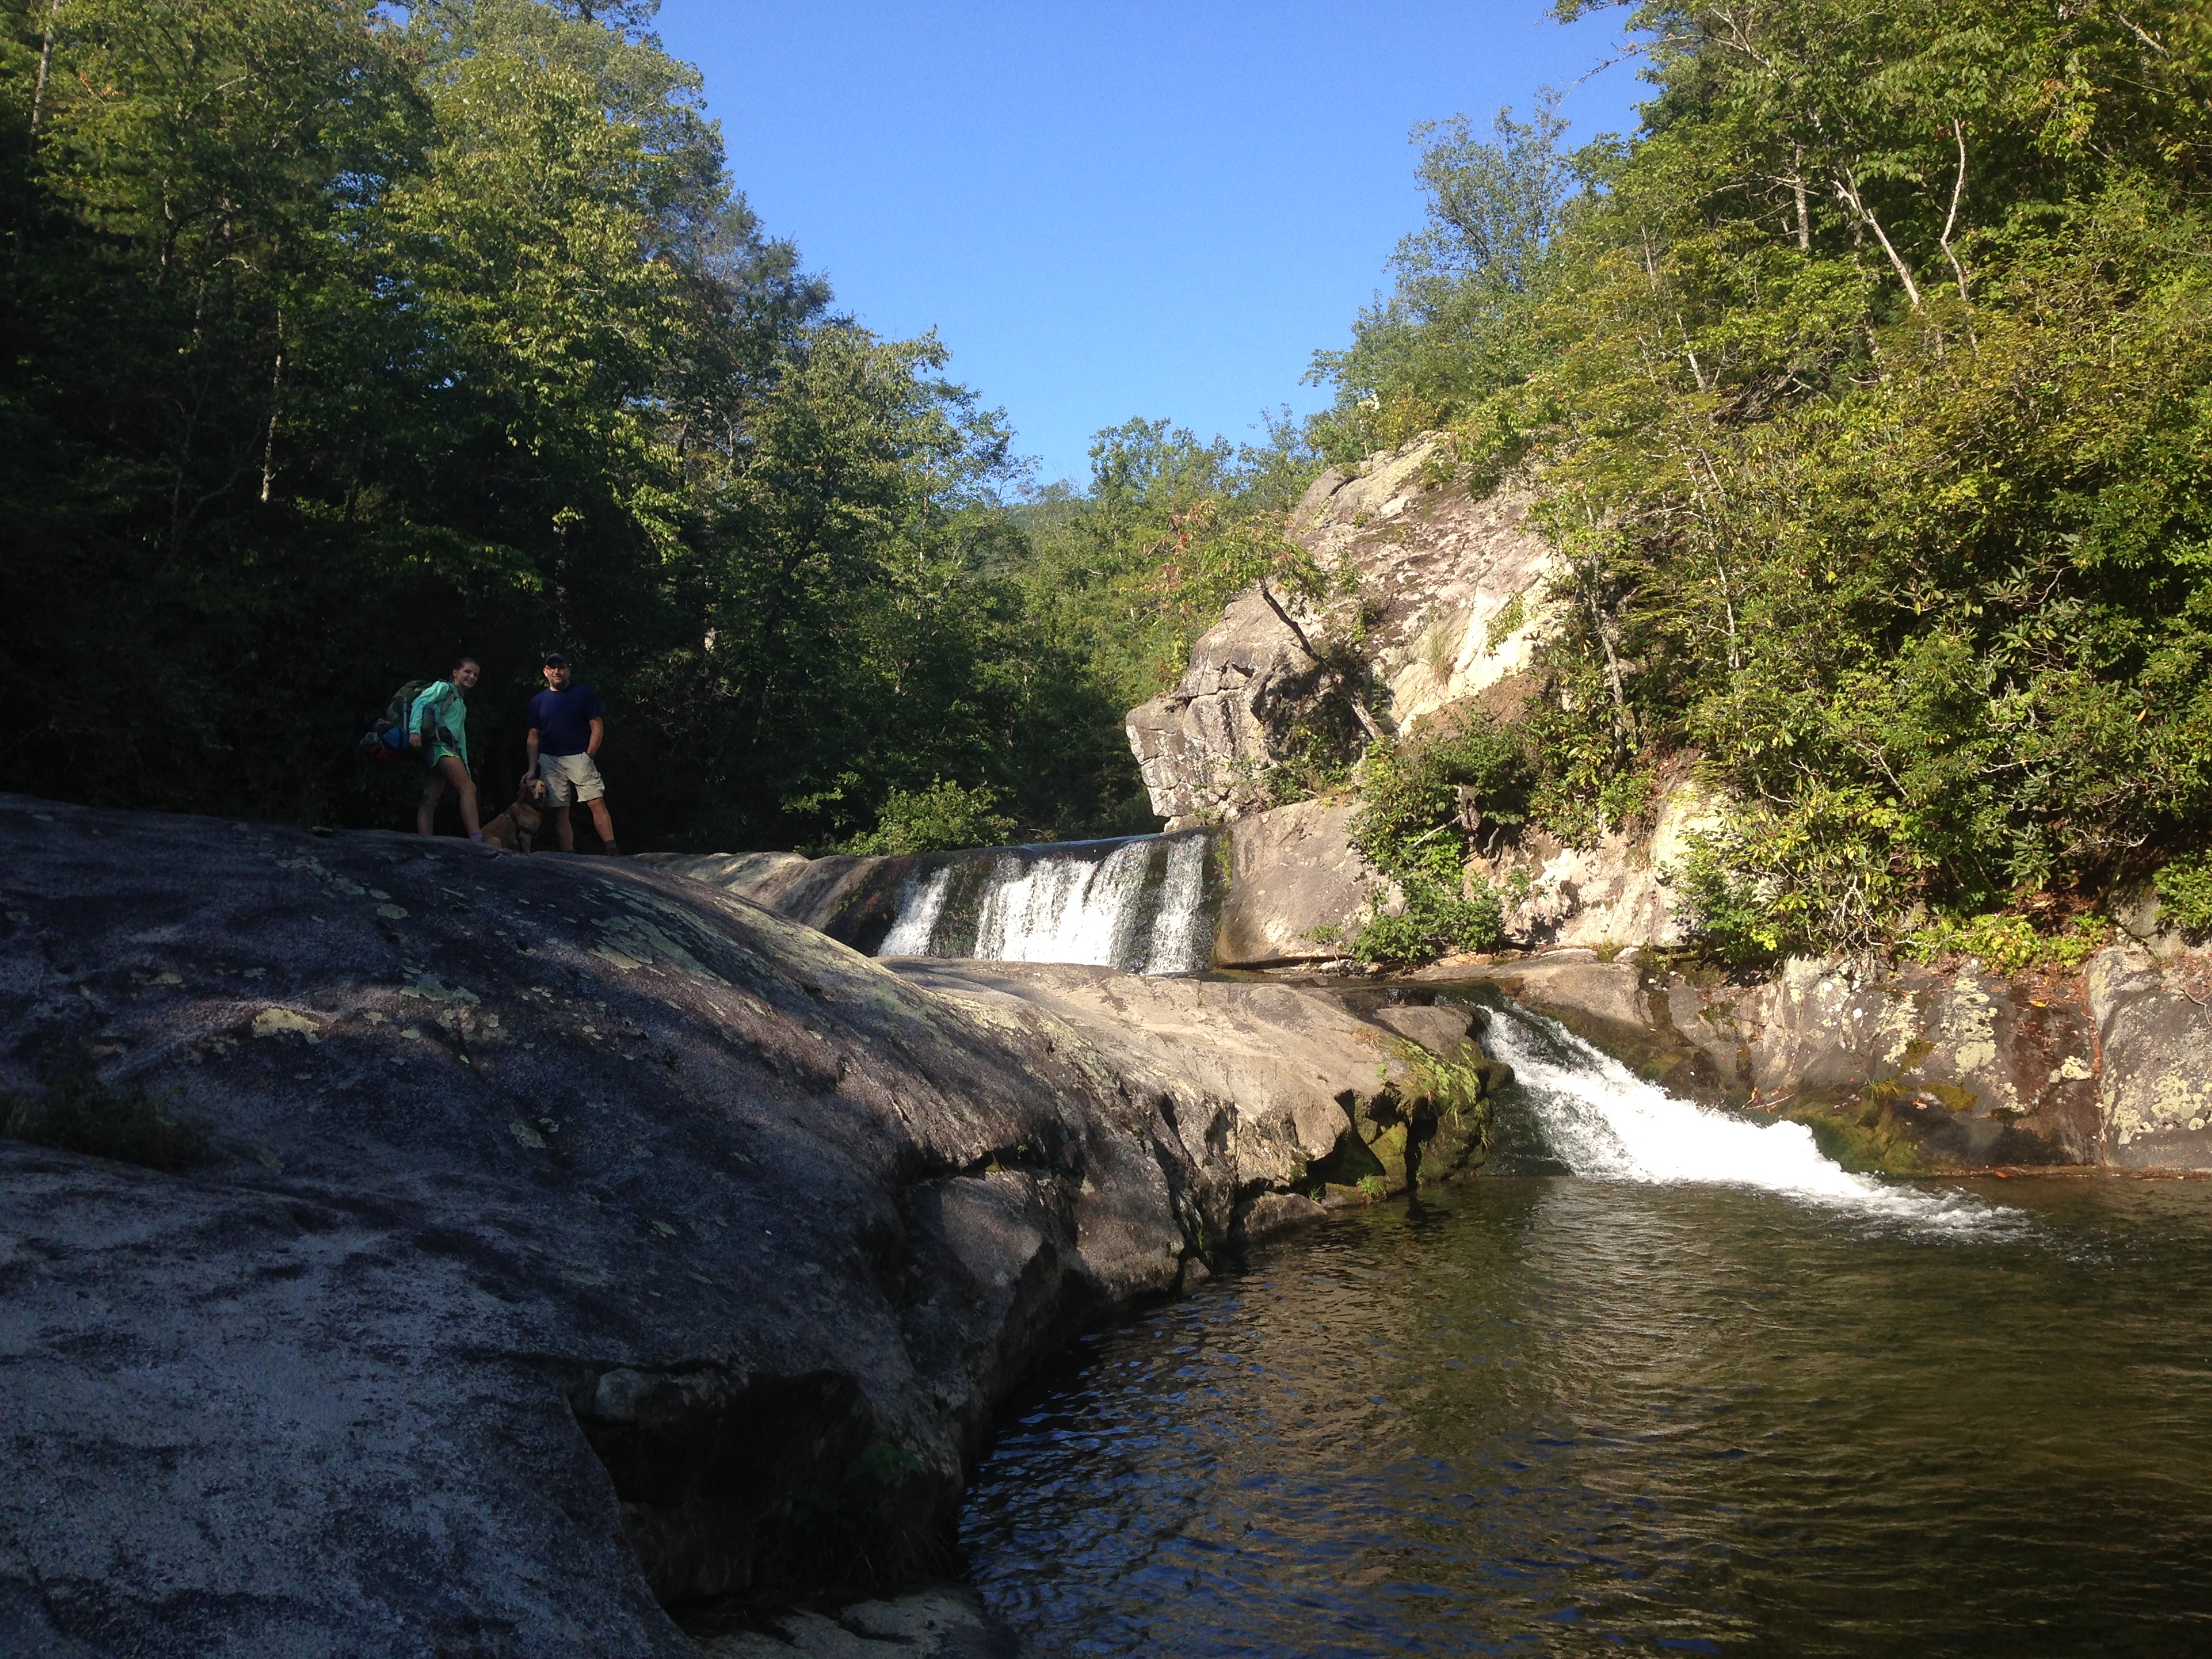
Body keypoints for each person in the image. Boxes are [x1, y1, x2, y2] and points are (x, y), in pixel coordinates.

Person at [525, 651, 620, 855]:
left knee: (596, 801)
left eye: (562, 667)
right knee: (560, 809)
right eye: (553, 668)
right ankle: (568, 855)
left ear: (569, 670)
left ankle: (612, 849)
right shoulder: (538, 701)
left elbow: (597, 725)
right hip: (550, 759)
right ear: (545, 672)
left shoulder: (583, 693)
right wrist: (532, 768)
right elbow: (533, 736)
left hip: (580, 756)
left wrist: (590, 755)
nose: (557, 672)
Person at [410, 655, 486, 841]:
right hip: (438, 745)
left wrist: (465, 766)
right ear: (455, 672)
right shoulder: (443, 688)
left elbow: (461, 740)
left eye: (475, 674)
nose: (472, 677)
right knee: (468, 788)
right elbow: (419, 702)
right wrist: (414, 731)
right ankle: (477, 839)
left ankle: (426, 843)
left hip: (445, 748)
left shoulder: (461, 703)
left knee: (431, 798)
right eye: (467, 672)